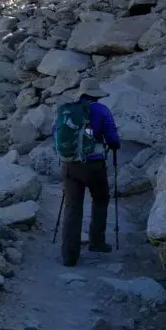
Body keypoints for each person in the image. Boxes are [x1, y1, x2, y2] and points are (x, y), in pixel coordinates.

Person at [52, 79, 120, 267]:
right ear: (96, 95)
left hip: (69, 165)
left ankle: (69, 256)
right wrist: (113, 145)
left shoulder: (66, 110)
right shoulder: (101, 110)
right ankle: (96, 242)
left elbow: (55, 133)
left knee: (72, 208)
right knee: (100, 199)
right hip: (94, 165)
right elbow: (112, 138)